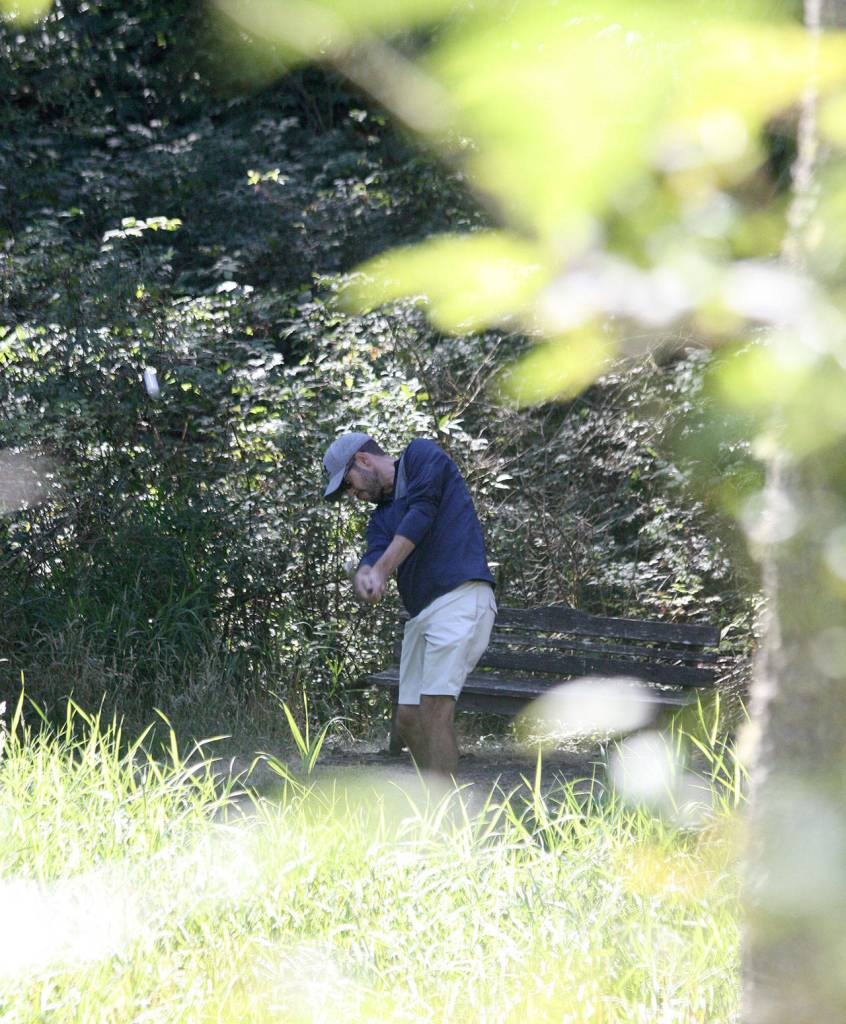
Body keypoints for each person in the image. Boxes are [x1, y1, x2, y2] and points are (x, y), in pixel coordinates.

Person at [322, 431, 497, 780]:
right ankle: (433, 796)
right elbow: (371, 557)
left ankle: (444, 813)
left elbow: (422, 512)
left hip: (461, 596)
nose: (353, 495)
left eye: (349, 484)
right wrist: (365, 578)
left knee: (433, 709)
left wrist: (382, 570)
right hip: (423, 614)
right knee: (408, 716)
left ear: (363, 460)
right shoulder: (381, 516)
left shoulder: (421, 456)